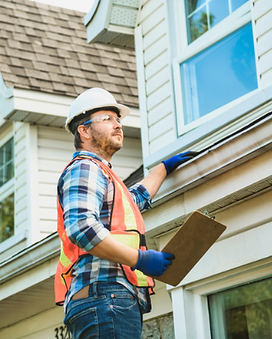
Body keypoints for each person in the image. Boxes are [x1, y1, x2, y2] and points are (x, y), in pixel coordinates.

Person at [54, 88, 197, 339]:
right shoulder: (86, 167)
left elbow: (134, 200)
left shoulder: (104, 175)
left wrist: (162, 169)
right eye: (107, 119)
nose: (118, 124)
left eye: (118, 119)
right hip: (105, 296)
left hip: (107, 298)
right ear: (84, 131)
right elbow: (82, 228)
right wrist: (140, 259)